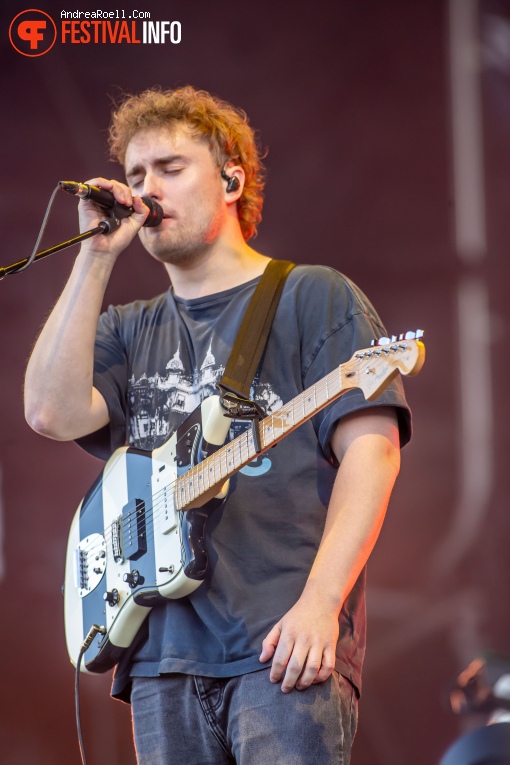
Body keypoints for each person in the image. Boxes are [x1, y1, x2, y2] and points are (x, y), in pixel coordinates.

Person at [24, 86, 411, 765]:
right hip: (160, 659)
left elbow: (372, 453)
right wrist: (96, 254)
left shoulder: (313, 295)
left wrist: (321, 602)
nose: (146, 191)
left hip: (282, 642)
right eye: (137, 174)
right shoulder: (129, 327)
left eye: (169, 168)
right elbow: (49, 412)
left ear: (231, 178)